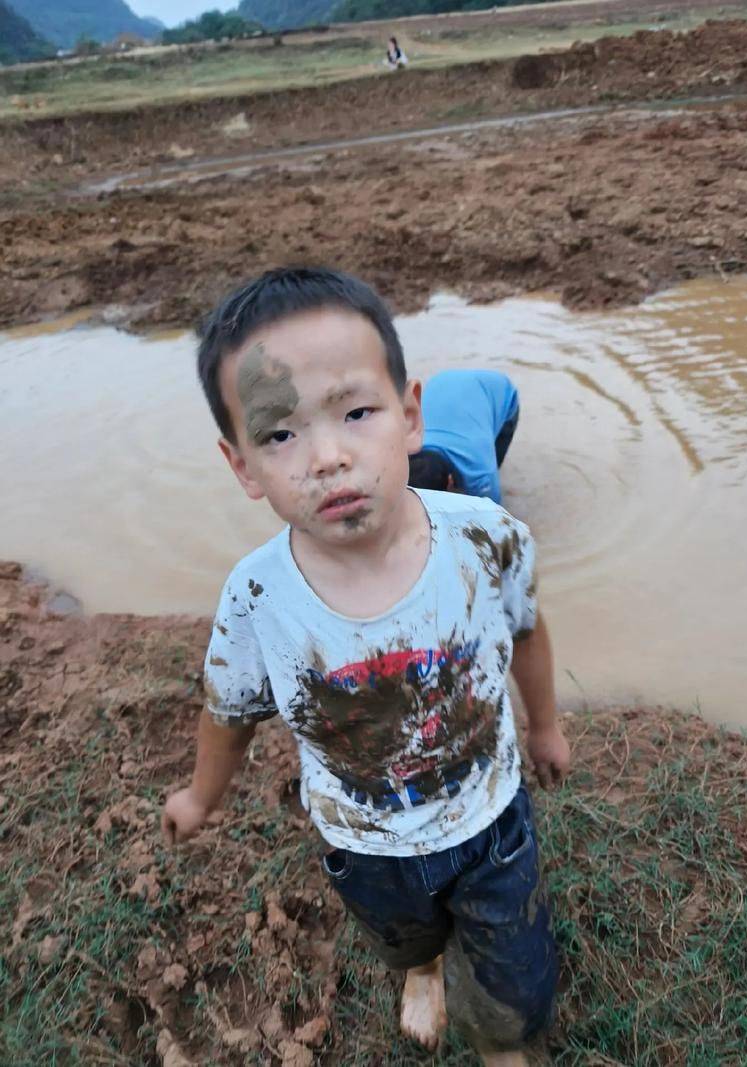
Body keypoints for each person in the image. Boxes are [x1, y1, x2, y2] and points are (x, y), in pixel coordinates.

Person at [161, 267, 570, 1065]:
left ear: (410, 415)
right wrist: (201, 795)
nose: (327, 457)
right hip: (363, 840)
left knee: (515, 984)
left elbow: (525, 629)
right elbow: (229, 712)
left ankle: (504, 1043)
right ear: (241, 466)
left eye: (356, 412)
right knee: (402, 932)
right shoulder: (255, 596)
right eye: (279, 435)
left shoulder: (486, 536)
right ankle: (421, 966)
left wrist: (546, 724)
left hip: (489, 819)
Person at [409, 369, 519, 503]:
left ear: (450, 481)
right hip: (443, 380)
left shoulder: (480, 473)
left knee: (494, 463)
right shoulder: (405, 445)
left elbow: (493, 511)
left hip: (501, 391)